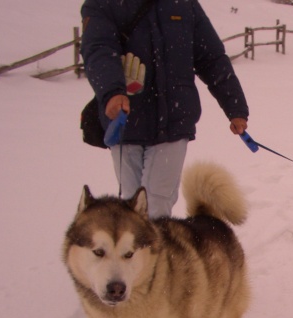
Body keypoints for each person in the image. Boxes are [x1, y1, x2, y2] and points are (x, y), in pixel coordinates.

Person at [80, 0, 249, 218]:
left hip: (173, 121)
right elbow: (98, 50)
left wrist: (235, 107)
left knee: (155, 207)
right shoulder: (104, 3)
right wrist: (113, 90)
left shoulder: (184, 4)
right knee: (133, 208)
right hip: (125, 121)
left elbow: (212, 58)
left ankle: (155, 250)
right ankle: (150, 250)